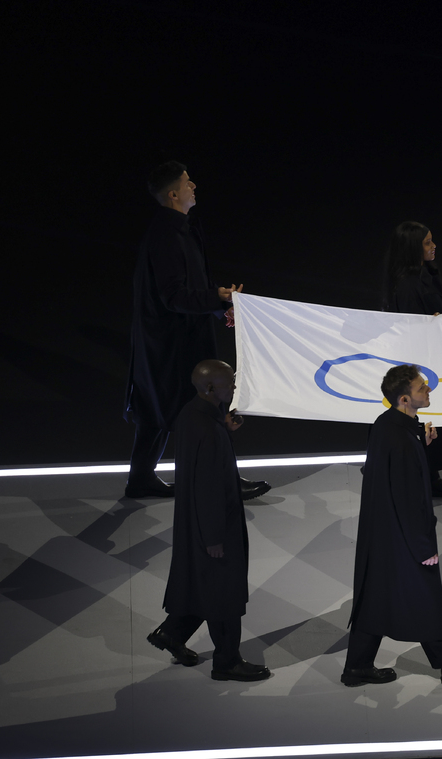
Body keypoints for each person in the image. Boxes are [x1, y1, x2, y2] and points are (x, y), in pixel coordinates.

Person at [342, 364, 442, 687]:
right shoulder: (401, 440)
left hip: (382, 534)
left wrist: (419, 439)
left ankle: (358, 665)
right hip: (404, 536)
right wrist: (424, 547)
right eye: (421, 388)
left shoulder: (388, 426)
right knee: (424, 597)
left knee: (376, 595)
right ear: (403, 399)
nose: (428, 391)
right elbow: (410, 498)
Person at [124, 161, 270, 501]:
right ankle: (224, 482)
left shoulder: (181, 229)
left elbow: (191, 288)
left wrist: (219, 305)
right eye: (188, 183)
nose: (194, 187)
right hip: (173, 342)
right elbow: (173, 295)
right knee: (204, 404)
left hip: (172, 339)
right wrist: (214, 298)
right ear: (174, 193)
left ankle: (140, 479)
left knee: (156, 409)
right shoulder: (167, 234)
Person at [146, 360, 271, 682]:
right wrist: (215, 538)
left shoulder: (192, 416)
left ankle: (172, 634)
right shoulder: (208, 430)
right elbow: (211, 489)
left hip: (195, 522)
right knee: (223, 594)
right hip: (214, 527)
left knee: (203, 582)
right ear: (211, 388)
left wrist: (224, 427)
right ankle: (227, 662)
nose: (234, 387)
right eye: (230, 382)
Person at [381, 221, 442, 499]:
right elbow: (410, 329)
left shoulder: (423, 274)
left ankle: (426, 476)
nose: (434, 246)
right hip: (423, 365)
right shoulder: (407, 285)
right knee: (430, 424)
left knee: (438, 426)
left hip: (435, 360)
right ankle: (424, 478)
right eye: (427, 243)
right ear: (412, 249)